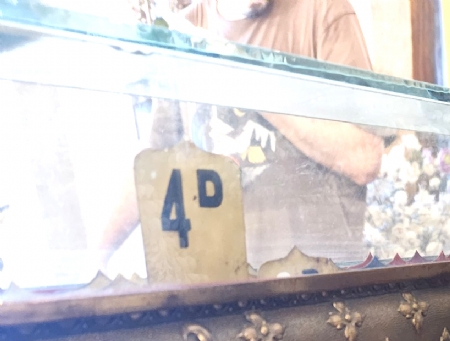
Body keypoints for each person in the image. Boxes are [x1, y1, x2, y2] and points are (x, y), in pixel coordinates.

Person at [101, 0, 386, 270]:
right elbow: (151, 165)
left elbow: (363, 159)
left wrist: (248, 79)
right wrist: (95, 262)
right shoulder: (184, 30)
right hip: (226, 279)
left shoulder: (324, 12)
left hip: (316, 282)